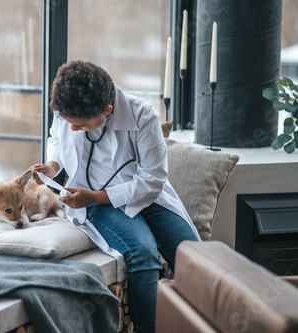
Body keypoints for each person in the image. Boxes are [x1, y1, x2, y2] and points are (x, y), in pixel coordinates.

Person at [31, 60, 200, 333]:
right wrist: (53, 165)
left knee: (195, 257)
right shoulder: (66, 108)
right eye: (69, 123)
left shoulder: (143, 116)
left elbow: (153, 179)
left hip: (144, 197)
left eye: (81, 126)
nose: (72, 129)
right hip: (93, 201)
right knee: (143, 254)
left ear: (107, 111)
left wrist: (97, 196)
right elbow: (55, 138)